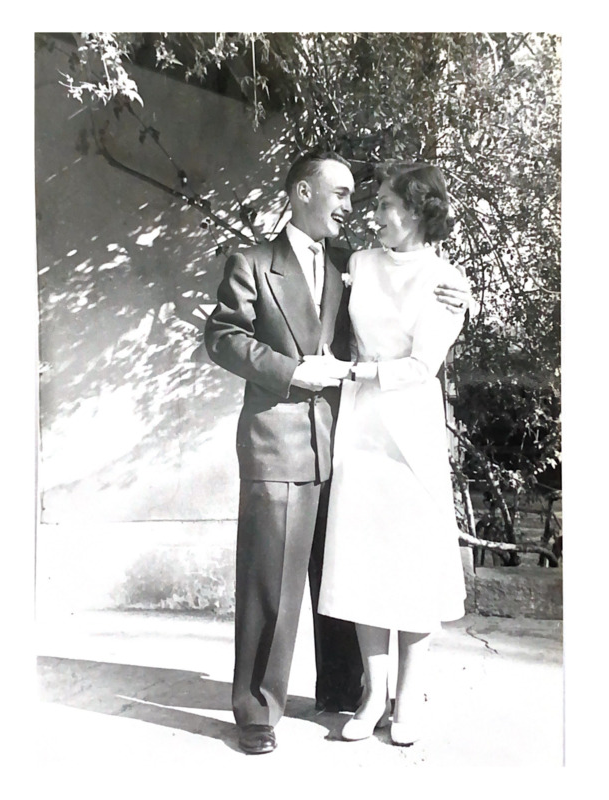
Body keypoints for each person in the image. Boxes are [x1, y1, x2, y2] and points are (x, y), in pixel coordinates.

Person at [204, 152, 471, 755]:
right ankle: (260, 709)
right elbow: (222, 337)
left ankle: (365, 694)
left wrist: (465, 297)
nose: (356, 209)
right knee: (281, 578)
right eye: (345, 194)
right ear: (304, 192)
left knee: (374, 564)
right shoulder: (268, 261)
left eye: (368, 199)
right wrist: (296, 371)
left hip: (367, 435)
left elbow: (420, 306)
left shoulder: (365, 263)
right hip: (301, 436)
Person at [318, 161, 468, 747]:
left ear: (415, 211)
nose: (374, 212)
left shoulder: (444, 280)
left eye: (383, 203)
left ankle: (409, 697)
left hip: (409, 431)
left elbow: (421, 367)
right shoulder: (359, 262)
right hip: (359, 426)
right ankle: (372, 693)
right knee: (362, 557)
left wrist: (356, 370)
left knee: (411, 564)